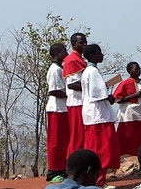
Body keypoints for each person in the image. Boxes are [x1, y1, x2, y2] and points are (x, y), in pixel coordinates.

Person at [81, 44, 121, 188]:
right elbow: (98, 95)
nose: (102, 55)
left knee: (97, 148)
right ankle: (99, 182)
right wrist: (110, 97)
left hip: (94, 115)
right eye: (99, 53)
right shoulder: (92, 72)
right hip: (98, 116)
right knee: (101, 149)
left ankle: (97, 180)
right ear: (92, 56)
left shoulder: (89, 71)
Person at [113, 61, 141, 156]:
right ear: (129, 71)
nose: (139, 70)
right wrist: (135, 95)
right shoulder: (124, 83)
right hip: (129, 114)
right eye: (136, 69)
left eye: (139, 68)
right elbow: (117, 99)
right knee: (128, 136)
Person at [46, 43, 70, 183]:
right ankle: (53, 171)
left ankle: (62, 168)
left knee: (63, 141)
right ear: (57, 53)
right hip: (56, 109)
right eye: (63, 51)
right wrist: (70, 94)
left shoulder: (61, 68)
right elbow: (54, 91)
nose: (66, 54)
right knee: (56, 141)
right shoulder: (55, 69)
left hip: (63, 109)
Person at [63, 32, 87, 158]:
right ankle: (72, 165)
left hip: (82, 101)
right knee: (77, 135)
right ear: (73, 44)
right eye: (81, 42)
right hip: (77, 102)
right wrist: (90, 88)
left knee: (83, 135)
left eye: (85, 42)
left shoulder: (80, 59)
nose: (84, 44)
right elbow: (72, 84)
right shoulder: (72, 60)